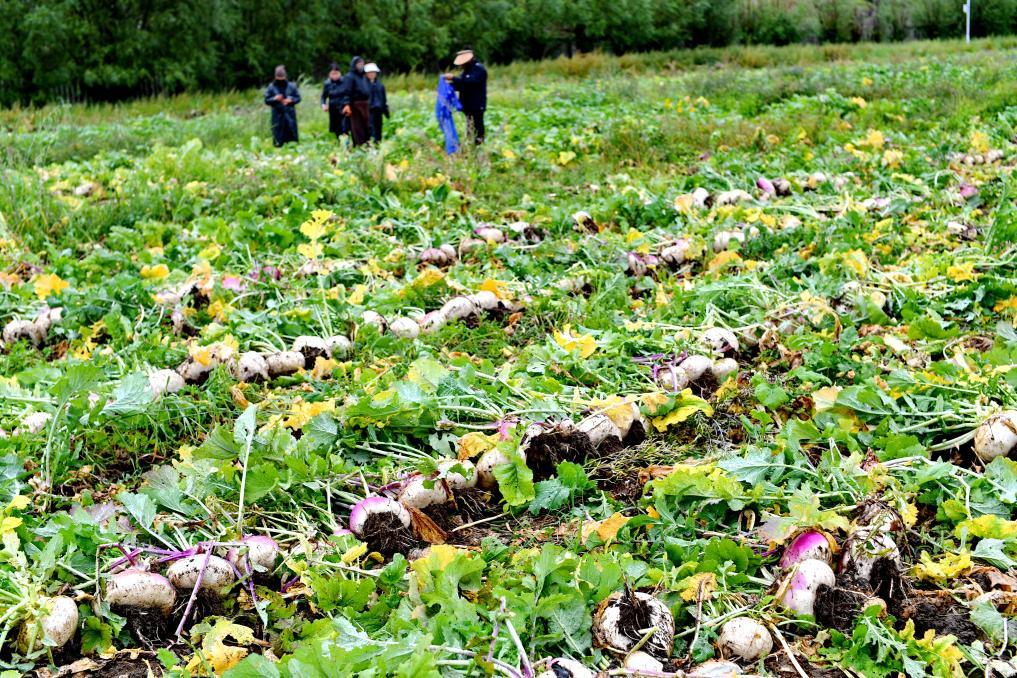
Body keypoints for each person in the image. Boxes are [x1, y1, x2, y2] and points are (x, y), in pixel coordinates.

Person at [444, 47, 487, 144]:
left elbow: (470, 83)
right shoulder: (465, 71)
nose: (461, 65)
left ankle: (479, 145)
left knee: (478, 126)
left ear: (469, 60)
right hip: (467, 105)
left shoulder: (479, 70)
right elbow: (461, 85)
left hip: (477, 104)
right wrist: (449, 85)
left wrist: (453, 78)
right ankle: (470, 146)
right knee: (469, 127)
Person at [264, 65, 300, 146]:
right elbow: (266, 100)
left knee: (292, 135)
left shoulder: (292, 86)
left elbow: (298, 98)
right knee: (278, 136)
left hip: (290, 114)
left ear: (285, 77)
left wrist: (291, 100)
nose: (280, 82)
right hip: (277, 115)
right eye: (278, 80)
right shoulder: (271, 87)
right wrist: (275, 99)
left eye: (282, 79)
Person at [340, 56, 371, 146]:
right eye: (359, 64)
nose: (361, 66)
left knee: (367, 126)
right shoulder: (349, 77)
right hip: (355, 105)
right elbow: (346, 92)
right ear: (354, 65)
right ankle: (359, 145)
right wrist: (347, 104)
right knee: (357, 127)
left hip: (365, 105)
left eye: (362, 64)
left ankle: (367, 145)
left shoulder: (363, 77)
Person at [320, 63, 346, 140]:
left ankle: (345, 142)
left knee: (344, 127)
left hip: (343, 107)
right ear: (329, 74)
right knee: (336, 128)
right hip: (333, 109)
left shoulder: (345, 82)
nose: (335, 76)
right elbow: (323, 97)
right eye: (333, 74)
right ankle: (339, 141)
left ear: (340, 73)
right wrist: (323, 104)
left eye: (336, 73)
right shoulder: (327, 83)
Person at [364, 63, 389, 143]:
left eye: (373, 72)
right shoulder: (363, 85)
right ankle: (371, 145)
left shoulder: (380, 85)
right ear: (366, 74)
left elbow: (383, 99)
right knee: (370, 129)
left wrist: (386, 111)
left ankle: (378, 143)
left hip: (378, 110)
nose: (372, 74)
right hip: (368, 111)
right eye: (370, 72)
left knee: (378, 128)